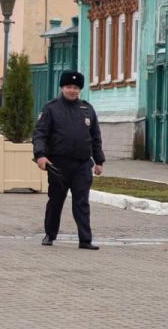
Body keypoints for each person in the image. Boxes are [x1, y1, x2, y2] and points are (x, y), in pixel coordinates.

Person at [33, 70, 104, 250]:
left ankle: (85, 239)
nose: (72, 90)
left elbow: (95, 136)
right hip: (58, 164)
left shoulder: (87, 109)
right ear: (62, 88)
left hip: (81, 164)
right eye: (68, 87)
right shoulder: (51, 108)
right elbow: (40, 134)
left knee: (81, 202)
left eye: (75, 87)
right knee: (56, 200)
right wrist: (40, 155)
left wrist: (99, 161)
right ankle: (50, 234)